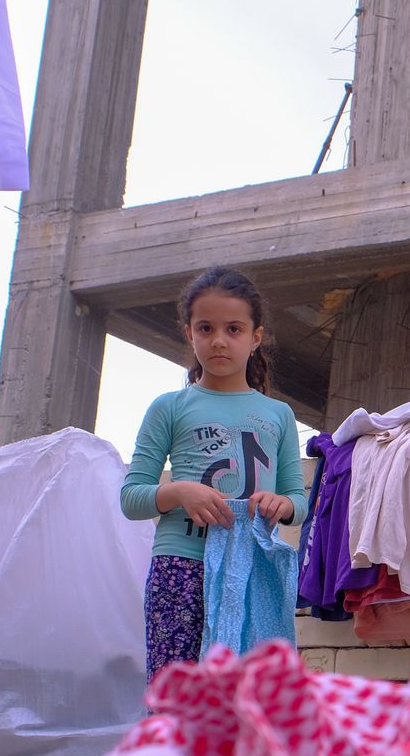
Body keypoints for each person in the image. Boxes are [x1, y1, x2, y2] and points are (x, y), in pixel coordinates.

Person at [120, 267, 305, 678]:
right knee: (177, 694)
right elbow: (131, 498)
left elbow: (298, 500)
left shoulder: (279, 414)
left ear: (255, 337)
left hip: (253, 568)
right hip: (181, 569)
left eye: (233, 329)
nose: (219, 340)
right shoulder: (169, 408)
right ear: (190, 333)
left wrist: (282, 504)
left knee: (249, 693)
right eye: (206, 328)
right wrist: (178, 492)